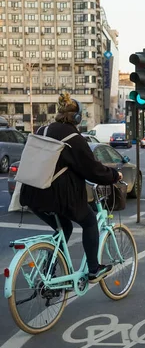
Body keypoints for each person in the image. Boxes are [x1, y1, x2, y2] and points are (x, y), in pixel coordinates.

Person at [20, 93, 122, 283]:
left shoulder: (42, 129)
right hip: (58, 196)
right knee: (90, 221)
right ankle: (93, 270)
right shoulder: (73, 137)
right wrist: (114, 175)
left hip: (32, 192)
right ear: (77, 117)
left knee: (64, 227)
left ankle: (49, 272)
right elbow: (92, 169)